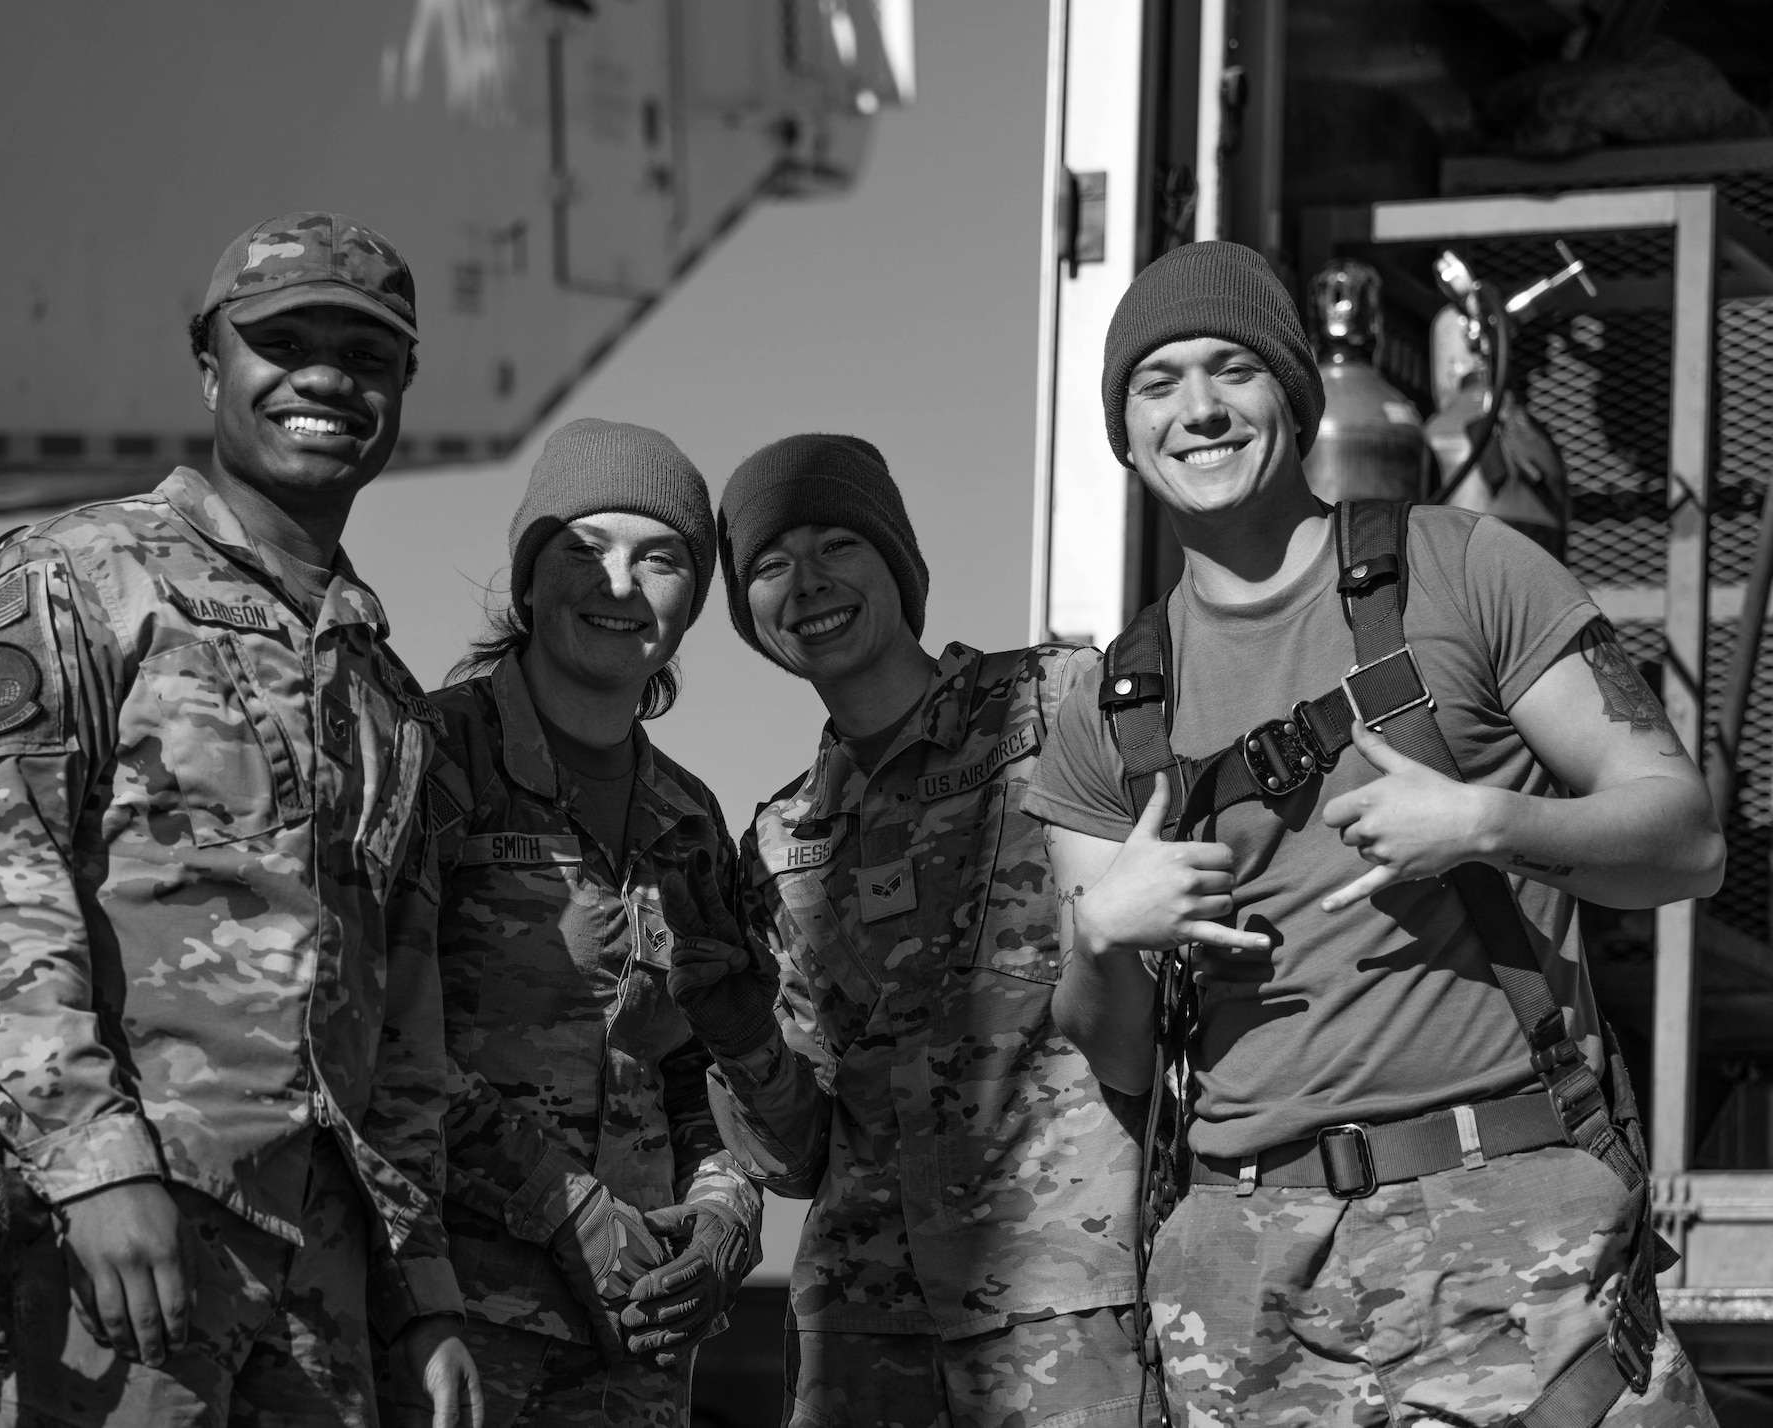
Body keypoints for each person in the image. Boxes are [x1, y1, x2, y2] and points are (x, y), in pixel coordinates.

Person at [1025, 239, 1724, 1424]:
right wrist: (1103, 936)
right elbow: (1120, 1058)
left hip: (1511, 1232)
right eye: (1157, 384)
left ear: (1294, 399)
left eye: (1232, 370)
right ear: (1124, 433)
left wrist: (1484, 822)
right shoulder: (1107, 711)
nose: (1198, 410)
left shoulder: (1467, 569)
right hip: (1246, 1281)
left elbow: (1686, 842)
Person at [0, 212, 480, 1426]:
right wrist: (90, 1165)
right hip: (117, 1245)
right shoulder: (81, 577)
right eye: (283, 344)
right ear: (209, 365)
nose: (325, 379)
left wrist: (418, 1291)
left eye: (365, 357)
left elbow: (404, 1011)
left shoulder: (385, 692)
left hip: (324, 1282)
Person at [667, 433, 1149, 1427]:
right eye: (769, 565)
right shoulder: (778, 840)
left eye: (836, 544)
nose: (807, 582)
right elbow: (796, 1158)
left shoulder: (1058, 700)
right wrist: (737, 1030)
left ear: (897, 561)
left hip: (1069, 1303)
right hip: (862, 1333)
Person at [392, 418, 763, 1428]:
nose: (619, 583)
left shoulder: (689, 817)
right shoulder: (431, 760)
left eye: (660, 558)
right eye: (584, 549)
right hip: (455, 1322)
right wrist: (566, 1205)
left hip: (637, 1339)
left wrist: (722, 1211)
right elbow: (377, 1034)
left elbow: (704, 1063)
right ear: (525, 581)